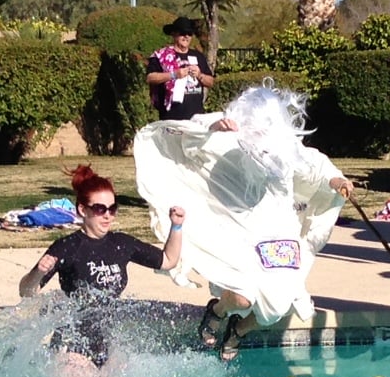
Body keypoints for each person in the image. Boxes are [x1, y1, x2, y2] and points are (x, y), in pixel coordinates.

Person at [131, 82, 353, 361]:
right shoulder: (227, 132)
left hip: (280, 232)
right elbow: (187, 140)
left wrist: (336, 180)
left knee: (278, 304)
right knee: (242, 296)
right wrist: (212, 130)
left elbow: (314, 165)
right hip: (240, 228)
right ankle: (217, 311)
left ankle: (239, 330)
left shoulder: (286, 146)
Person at [18, 164, 185, 367]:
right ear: (82, 209)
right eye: (100, 209)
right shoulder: (67, 247)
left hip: (107, 342)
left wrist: (176, 226)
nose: (107, 215)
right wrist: (38, 272)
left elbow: (168, 260)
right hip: (73, 346)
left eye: (112, 209)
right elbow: (26, 291)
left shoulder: (121, 244)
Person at [146, 17, 215, 121]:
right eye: (183, 33)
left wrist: (200, 75)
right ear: (174, 34)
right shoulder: (161, 55)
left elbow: (210, 82)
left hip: (196, 119)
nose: (186, 36)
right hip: (171, 118)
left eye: (189, 33)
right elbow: (150, 78)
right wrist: (174, 75)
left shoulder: (198, 56)